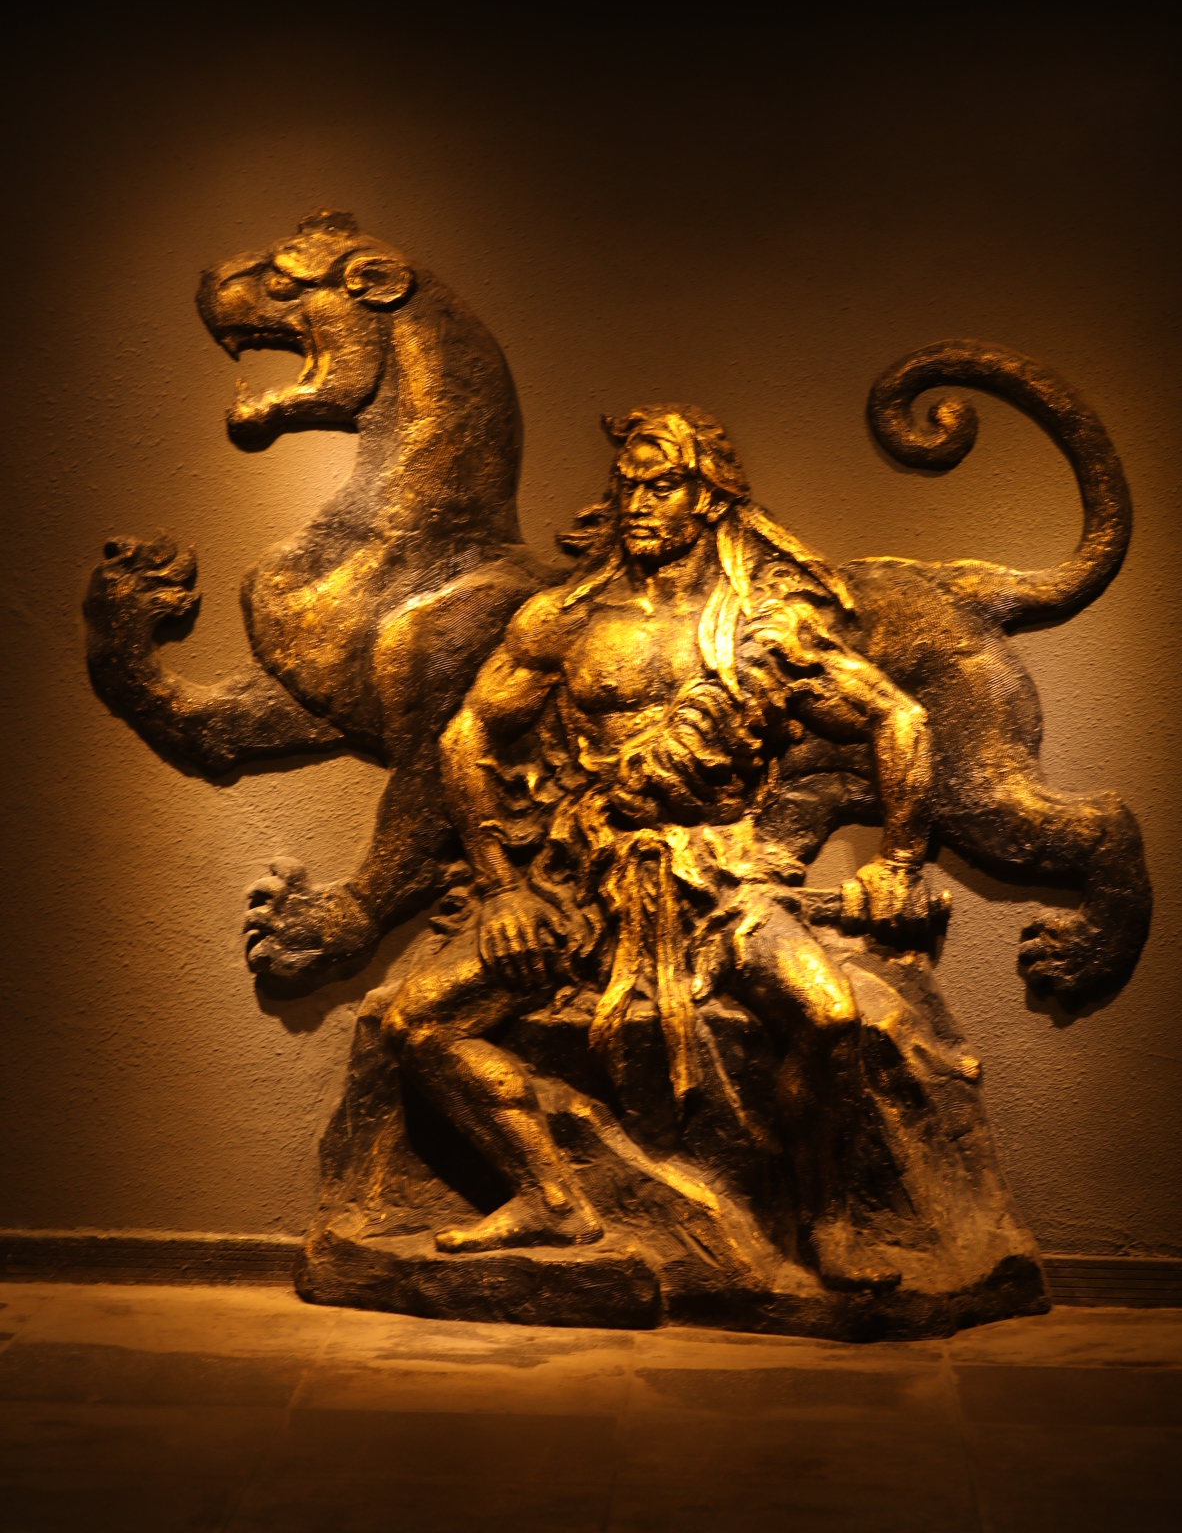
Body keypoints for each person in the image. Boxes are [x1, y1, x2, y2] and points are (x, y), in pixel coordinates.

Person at [382, 405, 935, 1285]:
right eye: (629, 485)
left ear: (708, 499)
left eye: (663, 484)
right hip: (578, 877)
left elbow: (898, 717)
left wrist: (899, 862)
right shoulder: (565, 618)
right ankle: (552, 1200)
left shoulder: (764, 626)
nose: (639, 502)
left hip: (720, 880)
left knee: (831, 1019)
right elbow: (467, 736)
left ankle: (827, 1225)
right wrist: (501, 887)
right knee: (416, 1022)